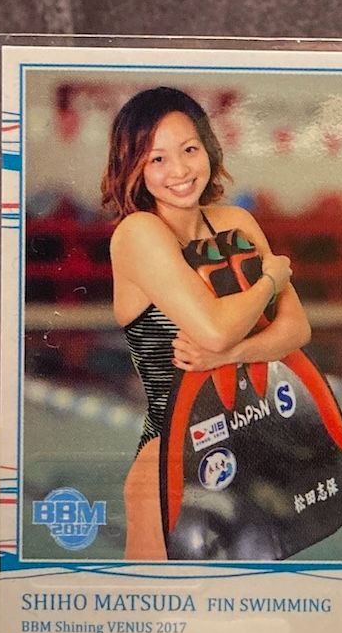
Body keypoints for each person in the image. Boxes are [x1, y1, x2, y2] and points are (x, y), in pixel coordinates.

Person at [102, 87, 309, 560]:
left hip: (247, 454)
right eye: (157, 159)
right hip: (170, 461)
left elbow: (297, 329)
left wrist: (232, 354)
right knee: (155, 604)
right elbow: (215, 329)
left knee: (253, 605)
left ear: (209, 150)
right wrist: (270, 281)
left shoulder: (236, 222)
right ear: (133, 167)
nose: (179, 170)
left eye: (189, 149)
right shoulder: (138, 233)